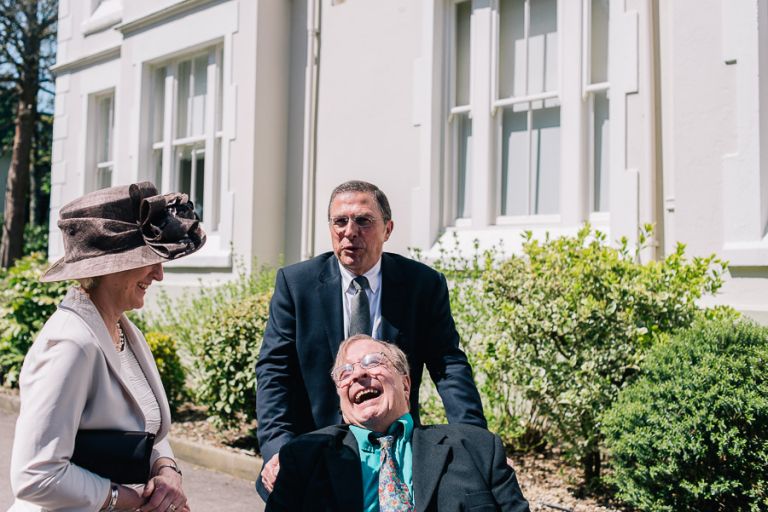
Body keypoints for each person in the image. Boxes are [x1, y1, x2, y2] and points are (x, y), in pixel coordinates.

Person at [256, 180, 487, 498]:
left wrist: (473, 441)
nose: (349, 231)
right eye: (340, 221)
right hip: (315, 443)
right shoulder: (296, 285)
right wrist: (277, 448)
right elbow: (274, 372)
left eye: (363, 220)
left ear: (388, 229)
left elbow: (448, 365)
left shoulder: (422, 285)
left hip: (394, 445)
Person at [9, 182, 205, 512]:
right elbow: (35, 475)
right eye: (148, 259)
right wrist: (127, 499)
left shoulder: (125, 333)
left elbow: (140, 432)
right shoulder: (71, 345)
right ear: (108, 266)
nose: (159, 274)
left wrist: (166, 470)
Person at [266, 335, 530, 512]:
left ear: (405, 384)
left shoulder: (477, 448)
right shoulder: (303, 457)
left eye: (373, 362)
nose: (358, 374)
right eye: (345, 373)